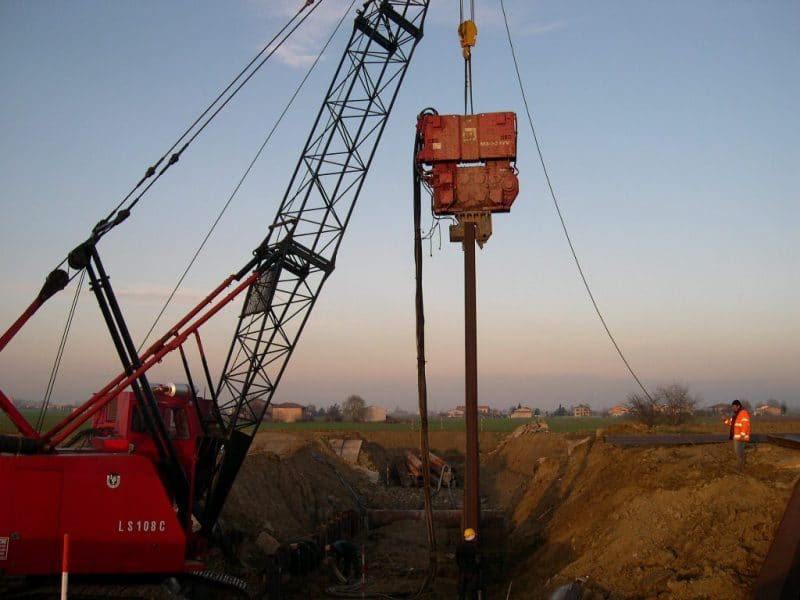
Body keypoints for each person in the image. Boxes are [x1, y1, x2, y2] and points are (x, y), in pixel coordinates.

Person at [723, 400, 751, 472]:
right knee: (738, 451)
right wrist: (725, 420)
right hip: (736, 437)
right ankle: (740, 466)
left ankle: (740, 468)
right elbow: (731, 424)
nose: (733, 408)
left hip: (740, 437)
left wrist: (742, 435)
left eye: (734, 407)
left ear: (738, 406)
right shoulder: (736, 415)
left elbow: (745, 425)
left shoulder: (743, 413)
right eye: (732, 407)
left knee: (739, 452)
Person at [456, 527, 482, 600]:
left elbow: (457, 559)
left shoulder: (459, 546)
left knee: (461, 591)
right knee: (472, 592)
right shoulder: (474, 548)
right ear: (472, 536)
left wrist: (461, 566)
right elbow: (478, 561)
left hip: (462, 572)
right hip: (472, 572)